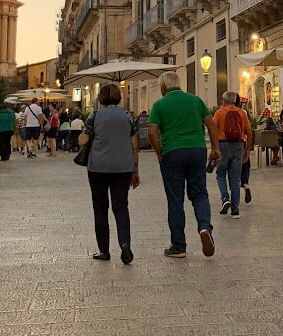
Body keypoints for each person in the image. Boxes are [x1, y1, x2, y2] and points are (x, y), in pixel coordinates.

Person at [148, 71, 220, 258]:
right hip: (197, 150)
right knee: (199, 194)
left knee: (175, 199)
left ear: (163, 87)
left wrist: (159, 153)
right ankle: (204, 228)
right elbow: (211, 124)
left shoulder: (159, 104)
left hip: (172, 152)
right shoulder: (195, 100)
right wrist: (215, 148)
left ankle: (179, 246)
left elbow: (152, 132)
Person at [80, 83, 140, 264]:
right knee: (121, 206)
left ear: (101, 98)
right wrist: (135, 169)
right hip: (123, 166)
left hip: (98, 167)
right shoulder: (127, 116)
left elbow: (83, 140)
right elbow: (135, 145)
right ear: (118, 97)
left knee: (100, 208)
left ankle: (104, 250)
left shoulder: (95, 115)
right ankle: (124, 243)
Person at [214, 92, 253, 218]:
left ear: (224, 100)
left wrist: (214, 149)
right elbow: (249, 132)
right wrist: (247, 149)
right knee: (235, 178)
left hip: (223, 145)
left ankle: (225, 198)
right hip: (238, 145)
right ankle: (235, 210)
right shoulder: (242, 113)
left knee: (220, 174)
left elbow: (213, 130)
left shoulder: (220, 112)